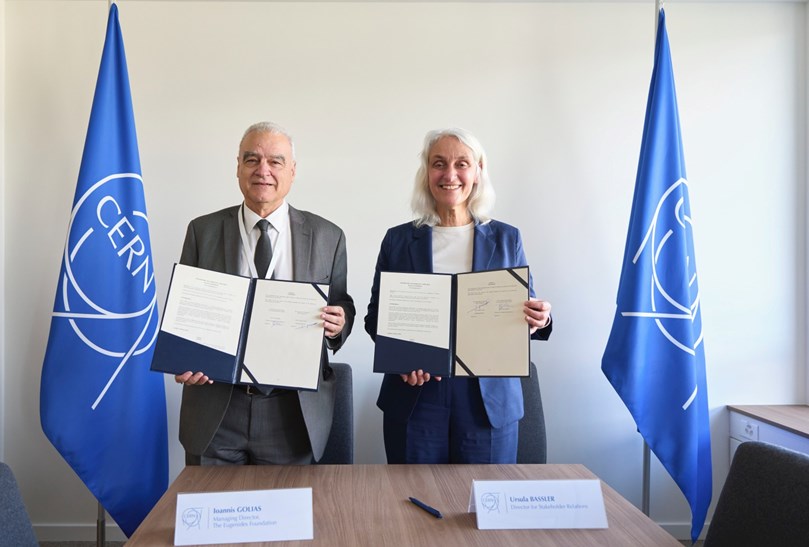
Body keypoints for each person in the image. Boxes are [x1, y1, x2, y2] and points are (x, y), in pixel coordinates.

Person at [365, 128, 552, 464]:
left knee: (485, 496)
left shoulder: (507, 238)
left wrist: (540, 319)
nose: (449, 174)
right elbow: (375, 318)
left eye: (461, 164)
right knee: (412, 496)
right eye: (439, 163)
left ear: (478, 171)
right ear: (426, 172)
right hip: (415, 397)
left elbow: (525, 312)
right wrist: (401, 359)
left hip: (487, 399)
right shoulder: (398, 240)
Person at [174, 121, 355, 465]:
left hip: (291, 412)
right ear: (238, 167)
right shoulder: (202, 231)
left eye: (275, 161)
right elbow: (187, 313)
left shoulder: (328, 236)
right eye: (252, 159)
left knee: (285, 501)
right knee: (210, 500)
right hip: (216, 407)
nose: (263, 170)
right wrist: (184, 358)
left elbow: (342, 303)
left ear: (293, 171)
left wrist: (339, 322)